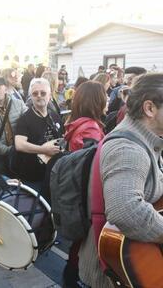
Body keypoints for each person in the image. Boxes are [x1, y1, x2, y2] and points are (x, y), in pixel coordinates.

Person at [78, 73, 163, 287]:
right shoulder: (128, 149)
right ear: (150, 108)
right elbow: (127, 211)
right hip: (114, 273)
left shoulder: (144, 140)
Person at [62, 81, 107, 287]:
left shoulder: (78, 123)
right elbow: (92, 168)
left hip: (77, 192)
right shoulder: (91, 129)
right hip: (87, 196)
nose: (107, 100)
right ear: (96, 101)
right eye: (103, 96)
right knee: (82, 246)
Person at [13, 78, 63, 190]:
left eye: (43, 93)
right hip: (33, 177)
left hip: (53, 173)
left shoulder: (54, 115)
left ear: (50, 95)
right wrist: (44, 150)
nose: (39, 96)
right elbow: (19, 145)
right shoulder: (25, 119)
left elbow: (62, 138)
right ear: (31, 97)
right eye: (35, 93)